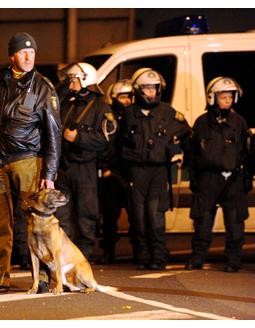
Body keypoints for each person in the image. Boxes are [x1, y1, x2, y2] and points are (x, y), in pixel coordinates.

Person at [0, 32, 61, 293]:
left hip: (28, 161)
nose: (28, 56)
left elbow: (53, 131)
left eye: (32, 52)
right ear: (12, 56)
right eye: (23, 52)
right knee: (0, 225)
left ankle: (42, 278)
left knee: (37, 222)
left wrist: (50, 171)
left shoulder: (44, 86)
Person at [120, 68, 192, 270]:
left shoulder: (168, 112)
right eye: (146, 88)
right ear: (138, 90)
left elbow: (186, 133)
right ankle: (142, 256)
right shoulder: (128, 114)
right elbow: (120, 144)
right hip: (136, 171)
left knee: (155, 215)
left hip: (158, 172)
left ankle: (159, 257)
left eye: (154, 88)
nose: (151, 92)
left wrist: (177, 151)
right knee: (138, 217)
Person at [185, 77, 252, 273]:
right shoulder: (201, 122)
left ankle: (233, 260)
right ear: (213, 97)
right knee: (203, 222)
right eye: (223, 96)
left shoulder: (239, 122)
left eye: (230, 96)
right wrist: (195, 178)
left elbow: (246, 153)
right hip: (208, 178)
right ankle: (197, 258)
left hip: (233, 179)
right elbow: (192, 152)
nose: (227, 100)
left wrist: (246, 179)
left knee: (235, 223)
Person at [54, 62, 117, 261]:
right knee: (62, 214)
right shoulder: (65, 102)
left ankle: (83, 256)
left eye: (74, 79)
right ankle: (64, 255)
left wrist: (79, 138)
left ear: (86, 80)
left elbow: (107, 138)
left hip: (85, 168)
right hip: (63, 166)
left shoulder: (100, 106)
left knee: (86, 213)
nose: (70, 83)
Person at [98, 79, 134, 264]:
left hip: (130, 171)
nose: (127, 100)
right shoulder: (107, 117)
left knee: (135, 213)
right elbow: (103, 144)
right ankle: (108, 251)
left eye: (130, 96)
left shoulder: (136, 116)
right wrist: (105, 168)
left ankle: (138, 251)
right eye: (123, 96)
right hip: (112, 173)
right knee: (110, 216)